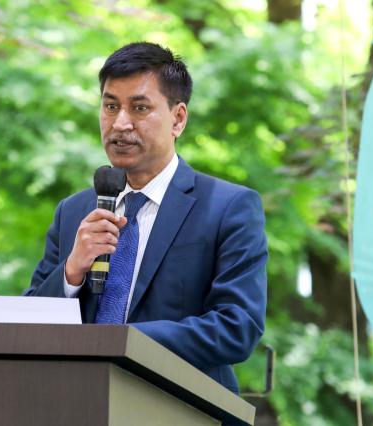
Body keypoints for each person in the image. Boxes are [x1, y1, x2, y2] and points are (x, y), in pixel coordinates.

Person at [24, 42, 268, 395]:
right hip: (77, 403)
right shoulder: (74, 211)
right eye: (110, 106)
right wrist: (71, 271)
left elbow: (236, 327)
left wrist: (119, 341)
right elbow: (25, 324)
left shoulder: (228, 207)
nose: (120, 123)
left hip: (183, 406)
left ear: (178, 118)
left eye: (139, 108)